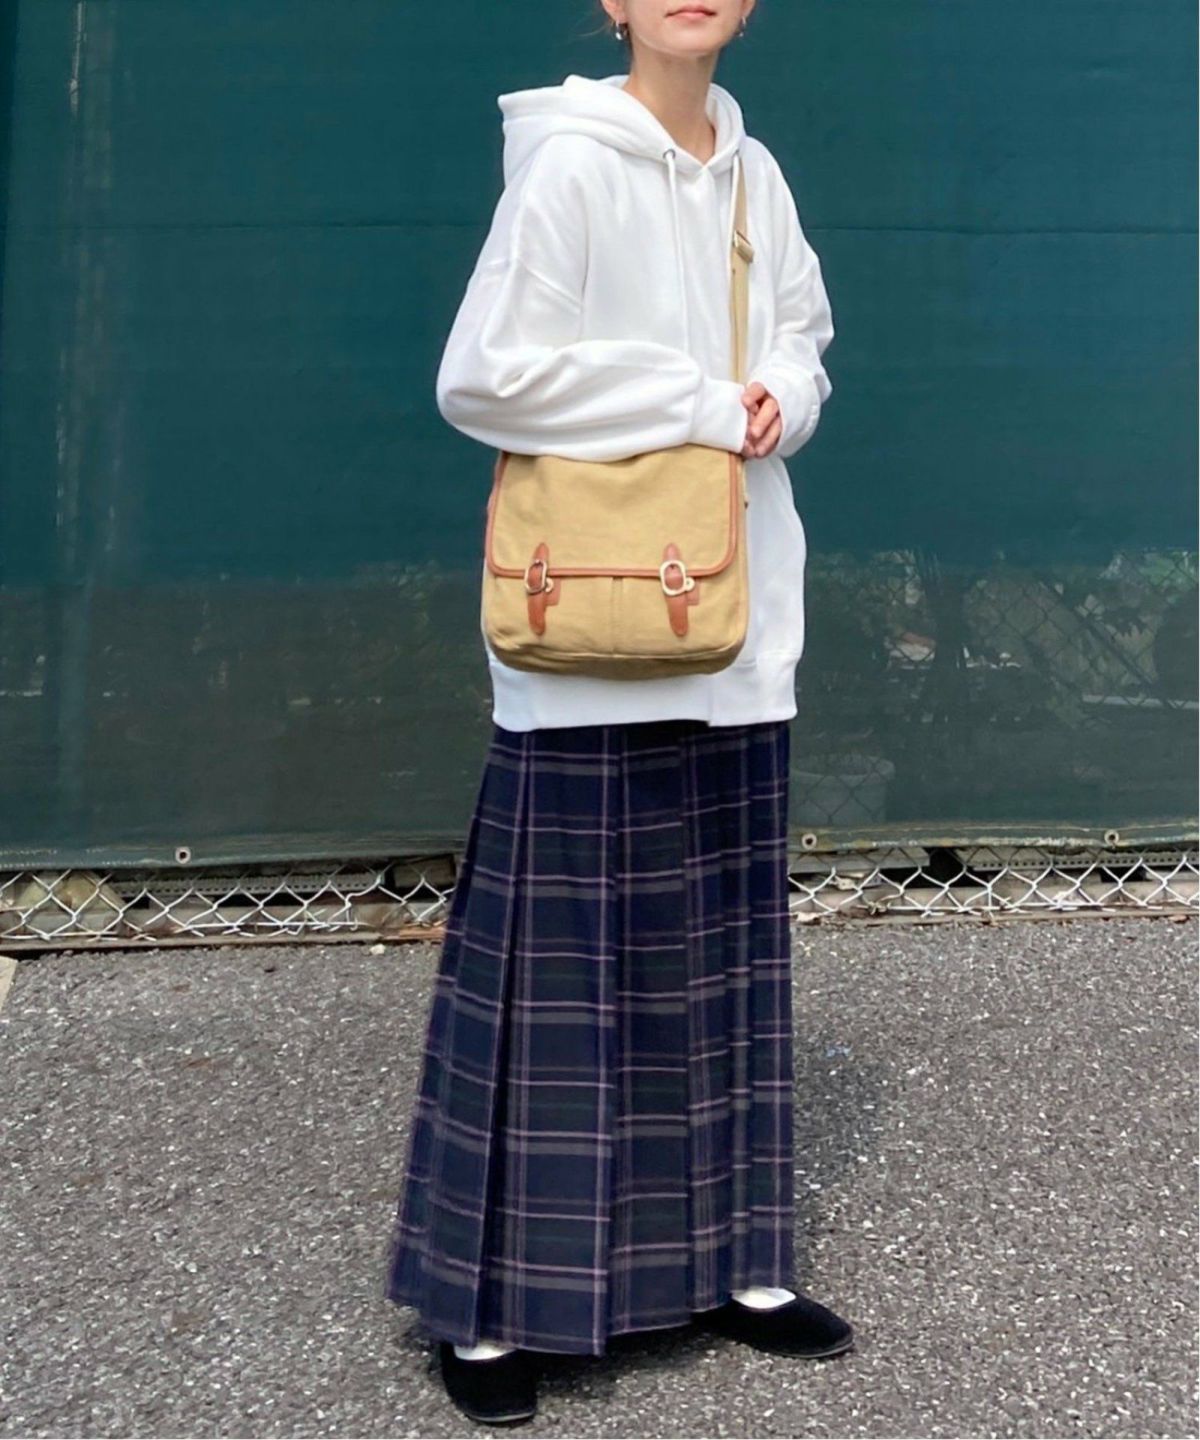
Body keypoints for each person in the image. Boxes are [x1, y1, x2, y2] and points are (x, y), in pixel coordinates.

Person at [384, 0, 853, 1424]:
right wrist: (705, 402)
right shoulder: (570, 162)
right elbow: (485, 376)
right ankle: (487, 1313)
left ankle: (731, 1268)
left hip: (732, 611)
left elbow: (804, 336)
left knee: (719, 948)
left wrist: (780, 396)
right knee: (558, 968)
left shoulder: (756, 173)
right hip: (590, 619)